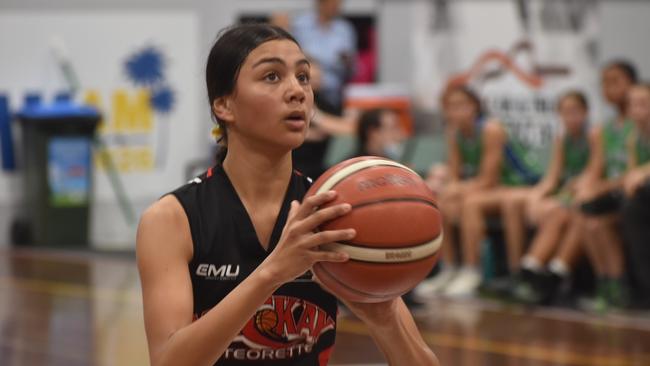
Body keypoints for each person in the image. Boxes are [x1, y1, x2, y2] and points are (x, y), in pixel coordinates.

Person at [136, 24, 438, 366]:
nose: (297, 91)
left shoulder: (335, 212)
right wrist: (273, 272)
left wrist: (383, 319)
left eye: (304, 77)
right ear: (224, 106)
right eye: (271, 77)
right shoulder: (172, 219)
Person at [414, 86, 534, 298]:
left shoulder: (491, 129)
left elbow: (489, 179)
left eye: (462, 105)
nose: (456, 111)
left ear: (475, 107)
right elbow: (455, 173)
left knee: (470, 203)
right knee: (441, 201)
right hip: (484, 189)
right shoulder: (453, 132)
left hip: (515, 185)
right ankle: (449, 269)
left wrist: (455, 189)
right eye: (450, 107)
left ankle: (472, 271)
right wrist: (445, 185)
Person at [501, 91, 593, 305]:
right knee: (534, 205)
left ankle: (545, 274)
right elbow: (552, 177)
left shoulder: (594, 136)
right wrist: (536, 197)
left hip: (583, 196)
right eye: (565, 112)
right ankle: (527, 271)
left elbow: (592, 176)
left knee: (562, 213)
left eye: (575, 111)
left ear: (586, 112)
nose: (570, 117)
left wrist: (561, 198)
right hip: (568, 196)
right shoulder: (562, 139)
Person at [577, 60, 637, 311]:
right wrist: (583, 187)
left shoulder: (639, 124)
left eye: (615, 81)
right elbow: (595, 167)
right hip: (609, 197)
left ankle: (620, 288)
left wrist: (599, 188)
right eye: (604, 82)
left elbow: (632, 171)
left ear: (631, 85)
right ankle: (607, 284)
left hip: (629, 198)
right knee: (587, 220)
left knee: (598, 222)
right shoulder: (605, 129)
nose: (608, 88)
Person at [291, 0, 356, 113]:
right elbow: (293, 55)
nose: (336, 7)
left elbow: (351, 68)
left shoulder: (345, 29)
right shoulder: (300, 25)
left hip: (333, 94)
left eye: (338, 4)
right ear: (321, 3)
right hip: (307, 86)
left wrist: (347, 61)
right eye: (333, 3)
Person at [621, 83, 650, 308]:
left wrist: (642, 172)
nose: (637, 109)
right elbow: (631, 172)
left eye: (643, 104)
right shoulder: (633, 135)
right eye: (632, 104)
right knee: (629, 206)